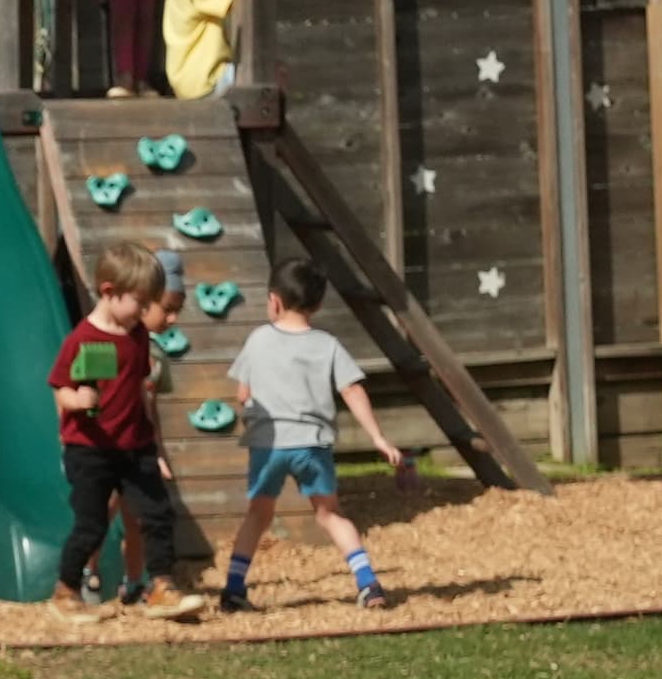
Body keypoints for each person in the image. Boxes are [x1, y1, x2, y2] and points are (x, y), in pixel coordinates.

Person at [216, 259, 406, 613]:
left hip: (268, 445)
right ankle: (368, 583)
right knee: (330, 514)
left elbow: (242, 393)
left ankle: (233, 590)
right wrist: (379, 438)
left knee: (258, 515)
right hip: (312, 444)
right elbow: (352, 390)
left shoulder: (258, 340)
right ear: (317, 305)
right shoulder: (327, 345)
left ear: (274, 300)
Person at [50, 241, 202, 623]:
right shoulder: (82, 339)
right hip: (90, 448)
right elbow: (59, 388)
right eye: (140, 301)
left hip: (134, 446)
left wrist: (152, 440)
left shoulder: (136, 335)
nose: (145, 310)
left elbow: (136, 388)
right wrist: (78, 400)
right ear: (108, 292)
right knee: (92, 525)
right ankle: (65, 592)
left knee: (157, 514)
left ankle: (160, 586)